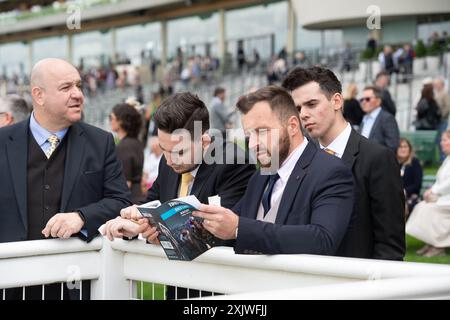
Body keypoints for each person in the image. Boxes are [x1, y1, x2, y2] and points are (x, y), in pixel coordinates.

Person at [102, 92, 256, 298]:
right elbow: (150, 204)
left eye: (180, 152)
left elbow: (219, 230)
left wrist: (162, 234)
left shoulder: (234, 162)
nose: (170, 159)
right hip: (178, 284)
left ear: (205, 141)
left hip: (219, 288)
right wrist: (136, 223)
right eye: (164, 150)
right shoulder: (168, 162)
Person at [0, 58, 131, 299]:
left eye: (79, 86)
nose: (78, 94)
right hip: (9, 283)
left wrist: (81, 217)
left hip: (74, 285)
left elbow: (121, 201)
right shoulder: (3, 142)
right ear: (38, 95)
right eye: (66, 87)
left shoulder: (100, 142)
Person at [191, 86, 354, 256]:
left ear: (292, 126)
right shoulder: (259, 177)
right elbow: (228, 225)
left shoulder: (331, 171)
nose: (252, 144)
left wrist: (239, 228)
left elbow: (323, 239)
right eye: (249, 136)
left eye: (261, 132)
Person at [282, 66, 405, 260]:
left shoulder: (378, 158)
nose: (303, 114)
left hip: (358, 283)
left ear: (337, 101)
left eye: (311, 104)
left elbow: (390, 247)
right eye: (298, 108)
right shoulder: (299, 160)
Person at [406, 130, 450, 257]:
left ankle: (439, 246)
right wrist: (430, 192)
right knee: (423, 206)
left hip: (447, 199)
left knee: (430, 210)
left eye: (445, 140)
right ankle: (432, 242)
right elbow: (440, 180)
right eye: (442, 140)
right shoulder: (447, 159)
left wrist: (434, 192)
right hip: (444, 197)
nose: (441, 143)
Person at [109, 103, 145, 203]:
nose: (110, 121)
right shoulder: (135, 142)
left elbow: (125, 183)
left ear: (120, 121)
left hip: (129, 201)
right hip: (137, 196)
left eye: (111, 117)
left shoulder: (124, 146)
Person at [359, 85, 400, 151]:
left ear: (378, 101)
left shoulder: (387, 118)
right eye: (361, 99)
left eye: (367, 99)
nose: (363, 102)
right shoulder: (364, 118)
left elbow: (392, 146)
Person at [397, 138, 423, 216]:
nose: (403, 149)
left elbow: (417, 184)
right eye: (400, 147)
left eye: (405, 147)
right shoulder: (393, 164)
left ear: (409, 149)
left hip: (410, 196)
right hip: (395, 195)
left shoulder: (414, 162)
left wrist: (404, 191)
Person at [433, 77, 450, 161]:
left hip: (442, 120)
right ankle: (441, 157)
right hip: (436, 120)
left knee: (442, 138)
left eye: (437, 84)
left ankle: (443, 158)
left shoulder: (445, 93)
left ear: (441, 84)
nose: (435, 85)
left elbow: (447, 107)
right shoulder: (435, 93)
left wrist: (441, 115)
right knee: (438, 140)